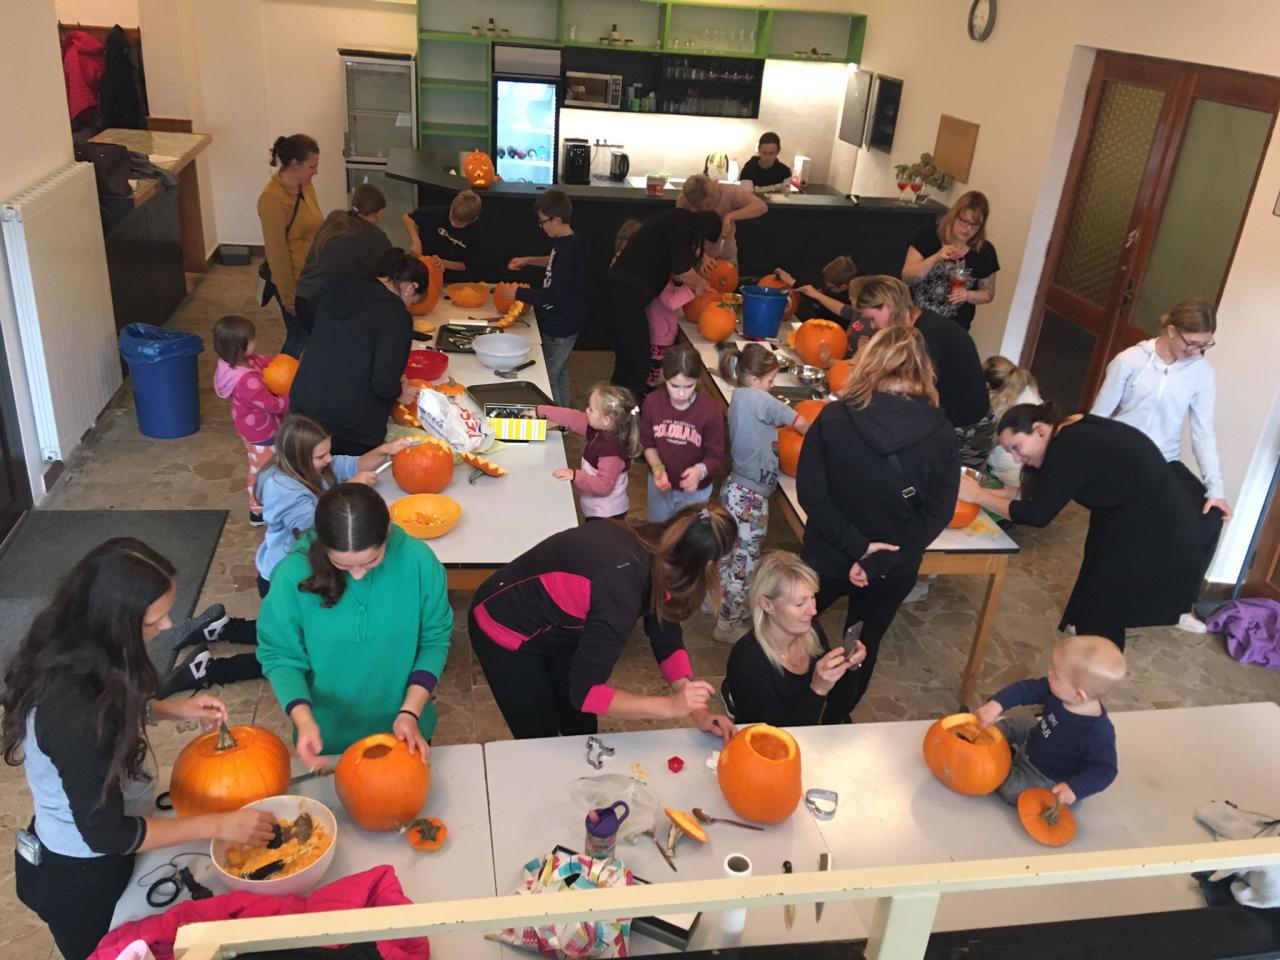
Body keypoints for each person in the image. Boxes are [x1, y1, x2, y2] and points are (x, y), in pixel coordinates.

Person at [1, 539, 276, 960]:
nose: (168, 626)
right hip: (81, 878)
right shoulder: (71, 717)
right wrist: (219, 824)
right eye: (154, 620)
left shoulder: (77, 647)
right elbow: (110, 834)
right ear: (112, 623)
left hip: (101, 848)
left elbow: (108, 706)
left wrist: (164, 709)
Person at [468, 505, 738, 740]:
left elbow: (665, 632)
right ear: (705, 567)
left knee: (580, 727)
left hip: (558, 624)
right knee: (541, 739)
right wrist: (670, 707)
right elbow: (585, 693)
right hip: (504, 626)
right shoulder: (619, 587)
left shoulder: (662, 548)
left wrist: (698, 712)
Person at [797, 326, 959, 715]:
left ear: (869, 362)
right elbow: (937, 513)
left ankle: (794, 704)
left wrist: (856, 546)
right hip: (892, 567)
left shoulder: (833, 418)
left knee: (795, 627)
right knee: (862, 645)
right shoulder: (942, 433)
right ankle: (836, 717)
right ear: (924, 369)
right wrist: (880, 560)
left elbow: (812, 496)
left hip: (828, 552)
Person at [958, 403, 1202, 650]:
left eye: (1016, 447)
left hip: (1156, 527)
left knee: (1104, 607)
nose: (1016, 458)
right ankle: (1088, 648)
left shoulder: (1070, 447)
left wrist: (978, 495)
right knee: (1095, 600)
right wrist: (992, 492)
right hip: (1127, 516)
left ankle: (1092, 664)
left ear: (1039, 430)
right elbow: (1043, 494)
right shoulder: (1066, 433)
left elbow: (1037, 514)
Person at [258, 484, 452, 767]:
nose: (358, 575)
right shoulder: (292, 576)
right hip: (328, 736)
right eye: (342, 564)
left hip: (405, 727)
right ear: (324, 545)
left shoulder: (418, 561)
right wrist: (303, 718)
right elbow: (280, 655)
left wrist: (410, 712)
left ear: (387, 530)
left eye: (371, 561)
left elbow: (434, 640)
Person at [1090, 298, 1229, 633]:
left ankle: (1178, 606)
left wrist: (1216, 489)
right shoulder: (1130, 361)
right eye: (1192, 343)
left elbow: (1203, 432)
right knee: (1116, 532)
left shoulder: (1201, 373)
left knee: (1208, 519)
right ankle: (1089, 611)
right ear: (1170, 330)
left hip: (1164, 461)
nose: (1197, 351)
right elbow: (1098, 418)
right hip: (1122, 460)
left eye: (1205, 345)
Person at [255, 414, 414, 598]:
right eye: (321, 456)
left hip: (312, 565)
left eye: (329, 452)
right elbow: (316, 527)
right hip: (284, 576)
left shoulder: (319, 466)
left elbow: (356, 464)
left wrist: (385, 450)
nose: (329, 459)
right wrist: (350, 488)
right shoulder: (281, 488)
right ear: (298, 458)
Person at [714, 343, 812, 642]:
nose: (772, 386)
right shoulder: (761, 399)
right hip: (751, 501)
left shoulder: (739, 396)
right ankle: (727, 624)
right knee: (743, 566)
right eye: (770, 380)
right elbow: (800, 422)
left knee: (726, 556)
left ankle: (714, 603)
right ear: (755, 380)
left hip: (734, 489)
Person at [289, 249, 426, 455]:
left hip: (305, 403)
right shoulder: (395, 313)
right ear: (409, 287)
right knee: (347, 472)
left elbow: (325, 328)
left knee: (306, 467)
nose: (409, 307)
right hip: (351, 423)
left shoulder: (338, 283)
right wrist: (399, 391)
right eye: (413, 302)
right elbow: (383, 384)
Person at [850, 275, 994, 470]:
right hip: (941, 421)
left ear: (888, 306)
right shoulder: (910, 329)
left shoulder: (929, 336)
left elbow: (909, 393)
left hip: (968, 429)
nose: (872, 326)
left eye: (871, 319)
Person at [975, 635, 1126, 807]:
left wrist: (1074, 789)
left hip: (1046, 776)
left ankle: (1002, 763)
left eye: (1056, 675)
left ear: (1079, 695)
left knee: (1012, 789)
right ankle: (990, 740)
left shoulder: (1097, 732)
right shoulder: (1059, 691)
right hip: (1034, 738)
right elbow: (1025, 689)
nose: (1049, 674)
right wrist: (997, 705)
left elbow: (1105, 770)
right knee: (1020, 722)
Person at [722, 551, 868, 726]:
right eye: (799, 604)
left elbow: (838, 707)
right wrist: (817, 689)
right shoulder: (747, 661)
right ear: (766, 604)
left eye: (812, 598)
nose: (813, 611)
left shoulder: (812, 632)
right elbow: (778, 737)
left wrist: (850, 668)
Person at [606, 208, 719, 401]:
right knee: (638, 362)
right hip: (626, 293)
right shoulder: (679, 223)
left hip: (623, 291)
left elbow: (677, 268)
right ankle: (631, 409)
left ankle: (616, 403)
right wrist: (699, 284)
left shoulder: (675, 222)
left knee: (627, 358)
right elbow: (681, 269)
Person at [506, 190, 588, 408]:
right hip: (567, 322)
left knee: (548, 377)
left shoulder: (568, 250)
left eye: (543, 222)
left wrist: (518, 293)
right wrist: (529, 260)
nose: (541, 226)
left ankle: (558, 422)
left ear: (556, 220)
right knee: (560, 373)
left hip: (561, 326)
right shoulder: (569, 241)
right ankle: (566, 418)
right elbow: (554, 261)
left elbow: (555, 295)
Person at [212, 315, 289, 525]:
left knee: (260, 466)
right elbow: (273, 405)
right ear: (238, 347)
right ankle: (259, 511)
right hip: (262, 433)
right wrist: (291, 395)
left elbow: (263, 361)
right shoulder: (247, 380)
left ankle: (262, 506)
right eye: (251, 339)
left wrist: (280, 364)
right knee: (265, 471)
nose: (256, 341)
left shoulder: (235, 363)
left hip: (251, 429)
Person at [641, 344, 725, 523]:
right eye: (674, 385)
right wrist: (657, 468)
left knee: (687, 534)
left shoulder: (711, 411)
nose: (681, 393)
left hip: (696, 491)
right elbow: (648, 444)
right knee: (657, 531)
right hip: (660, 487)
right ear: (664, 376)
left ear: (698, 380)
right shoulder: (652, 403)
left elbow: (716, 456)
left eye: (689, 386)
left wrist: (699, 471)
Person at [294, 183, 393, 335]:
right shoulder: (375, 237)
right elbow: (392, 272)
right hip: (326, 306)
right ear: (379, 213)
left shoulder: (335, 218)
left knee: (315, 342)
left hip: (303, 297)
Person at [257, 133, 323, 357]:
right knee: (299, 337)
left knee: (313, 335)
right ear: (295, 164)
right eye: (312, 166)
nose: (316, 172)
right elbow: (277, 255)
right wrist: (288, 298)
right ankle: (279, 378)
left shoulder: (306, 186)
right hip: (293, 283)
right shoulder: (271, 200)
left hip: (312, 278)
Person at [535, 383, 641, 521]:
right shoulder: (600, 427)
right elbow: (573, 417)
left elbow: (603, 486)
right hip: (595, 509)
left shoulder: (612, 453)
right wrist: (540, 411)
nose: (586, 411)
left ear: (607, 420)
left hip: (606, 515)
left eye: (591, 409)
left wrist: (574, 475)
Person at [902, 190, 999, 332]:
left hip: (954, 328)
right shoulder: (928, 236)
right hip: (915, 321)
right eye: (964, 222)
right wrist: (935, 258)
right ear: (953, 216)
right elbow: (907, 277)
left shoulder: (985, 251)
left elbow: (988, 294)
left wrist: (967, 295)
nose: (968, 229)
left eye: (974, 225)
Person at [676, 173, 767, 265]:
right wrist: (703, 256)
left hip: (726, 256)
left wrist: (729, 217)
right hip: (695, 256)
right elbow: (683, 234)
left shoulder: (729, 192)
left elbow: (761, 206)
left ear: (712, 193)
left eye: (707, 204)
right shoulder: (683, 200)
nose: (703, 209)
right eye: (697, 207)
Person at [984, 356, 1042, 488]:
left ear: (988, 385)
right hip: (1018, 472)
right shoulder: (1027, 391)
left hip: (1011, 474)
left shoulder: (1019, 406)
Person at [405, 188, 484, 280]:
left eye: (460, 222)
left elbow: (468, 265)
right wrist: (416, 241)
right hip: (427, 270)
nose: (453, 223)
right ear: (451, 206)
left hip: (455, 278)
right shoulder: (439, 213)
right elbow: (408, 218)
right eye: (452, 217)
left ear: (472, 220)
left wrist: (444, 263)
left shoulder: (476, 231)